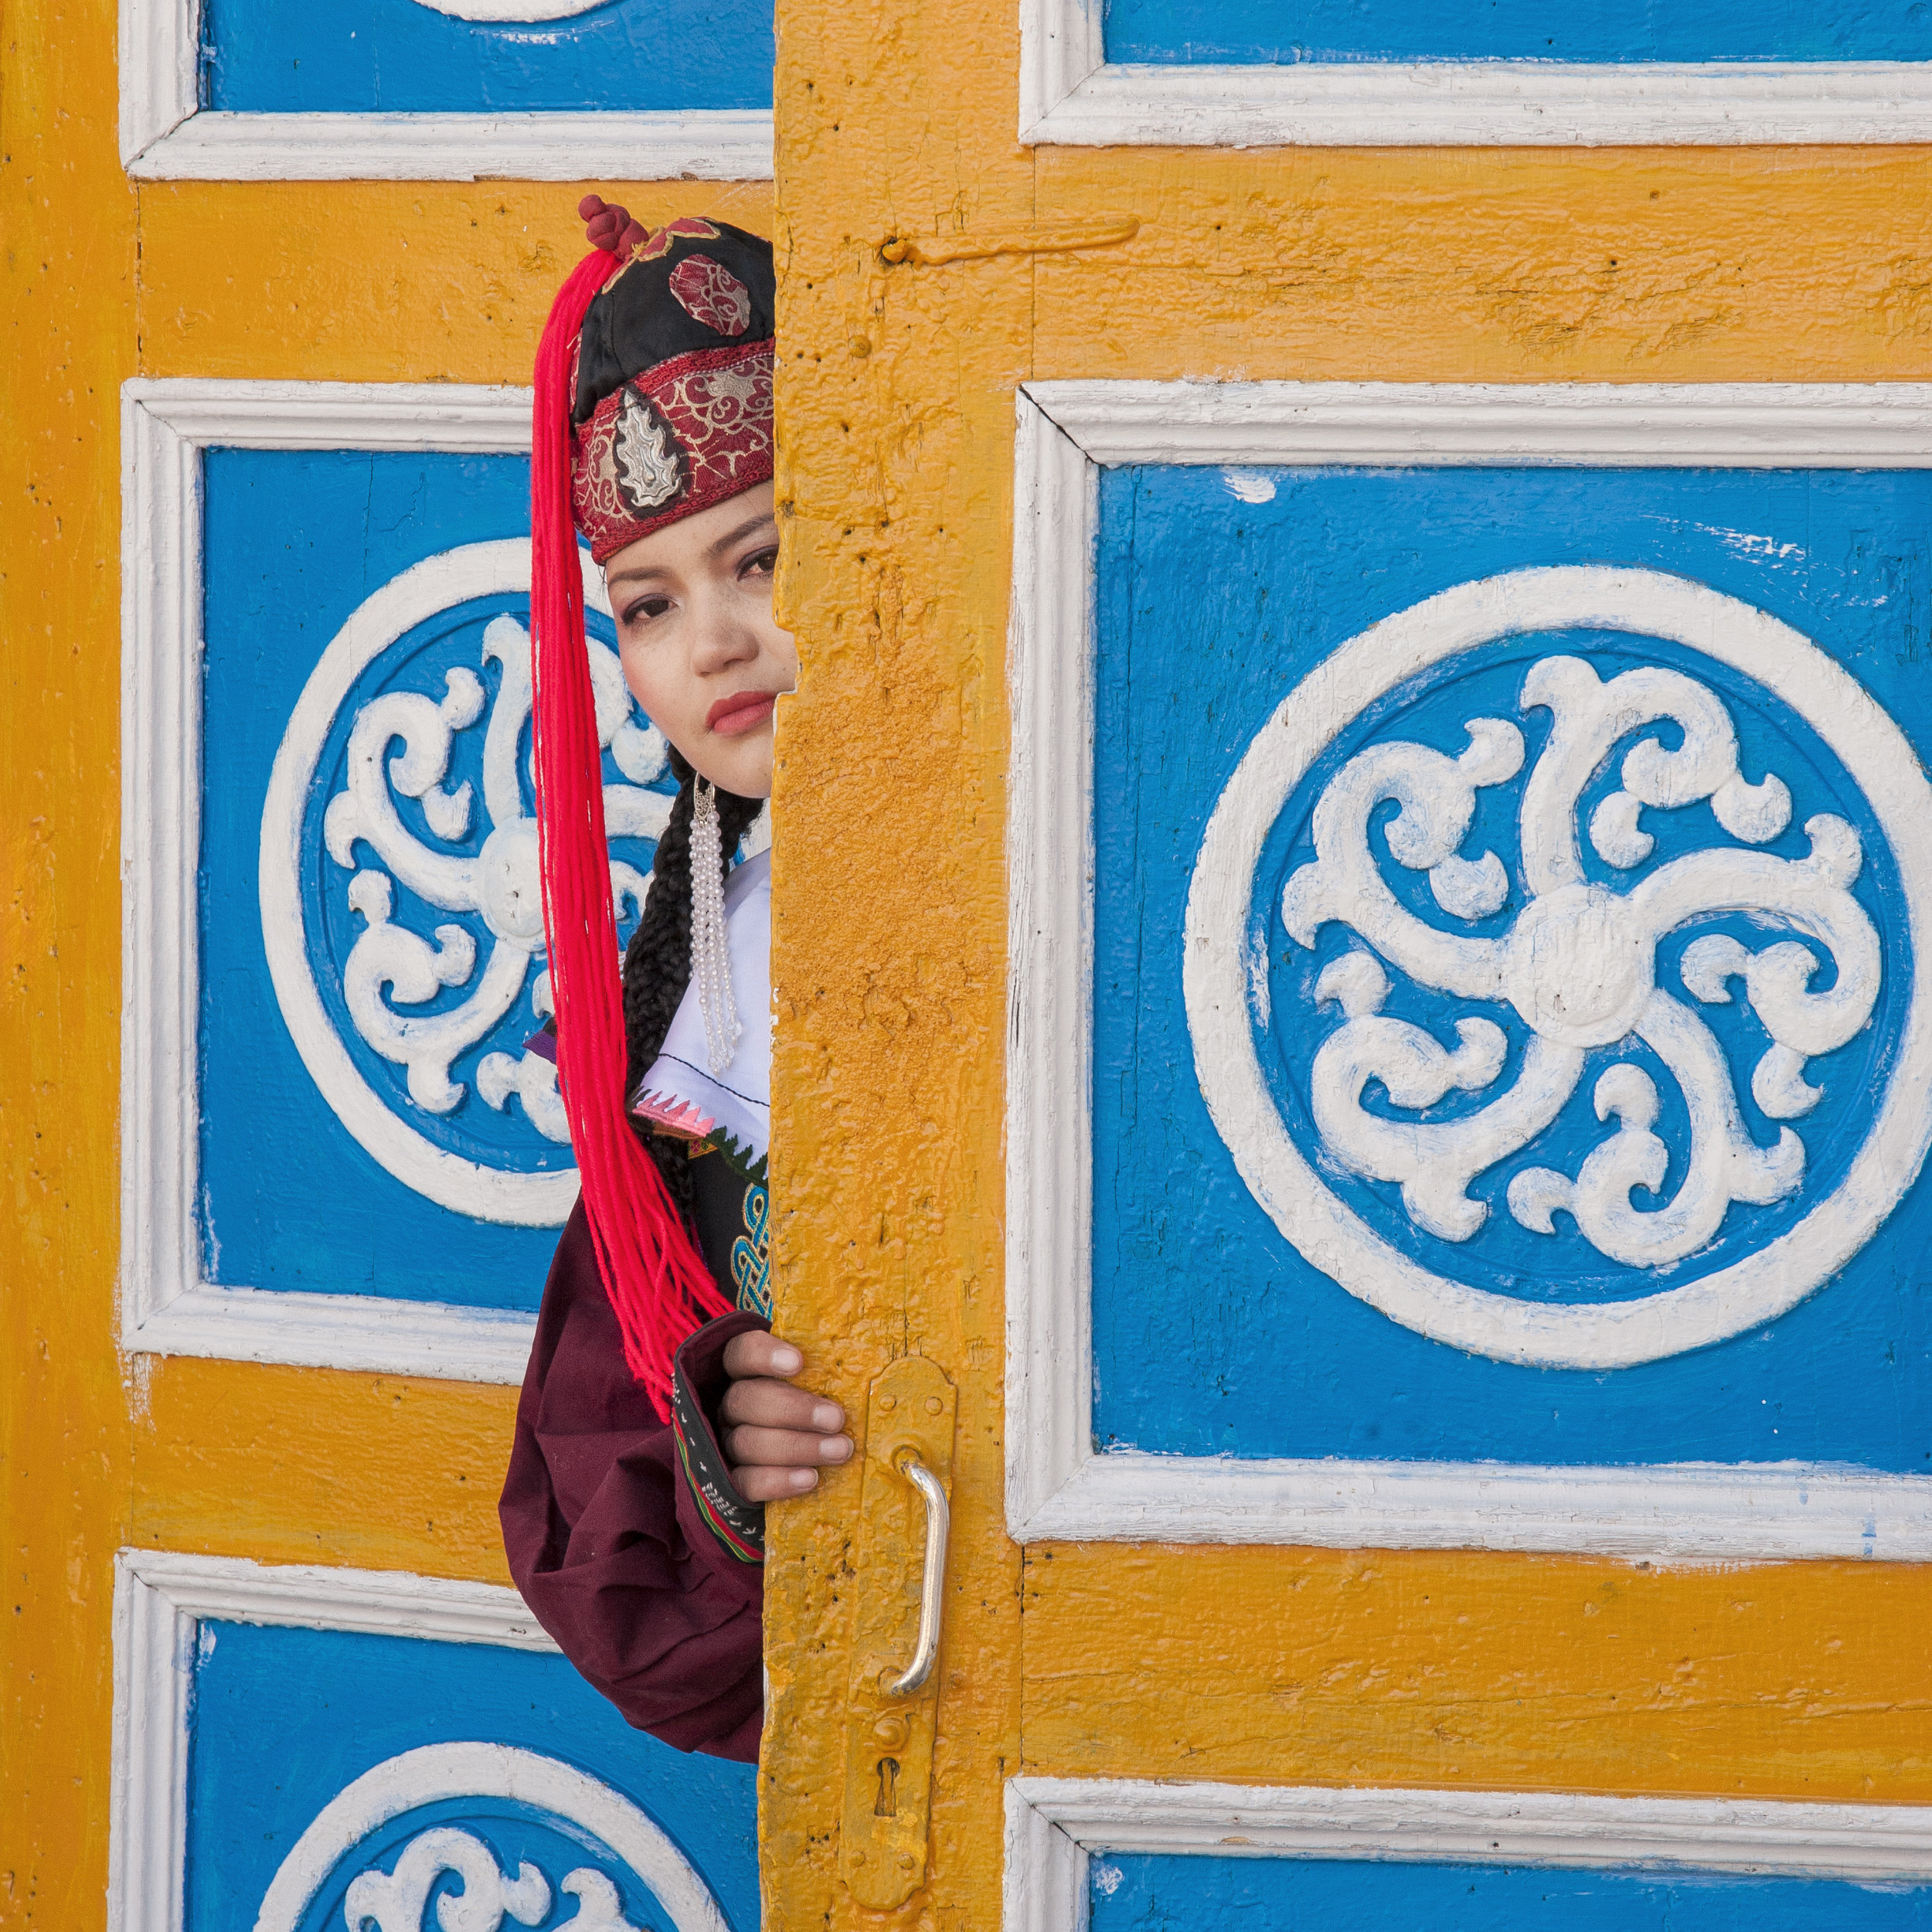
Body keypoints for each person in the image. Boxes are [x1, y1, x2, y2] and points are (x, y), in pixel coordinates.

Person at [498, 202, 848, 1761]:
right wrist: (719, 1441)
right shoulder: (689, 980)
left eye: (761, 556)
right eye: (644, 603)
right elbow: (631, 1614)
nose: (714, 643)